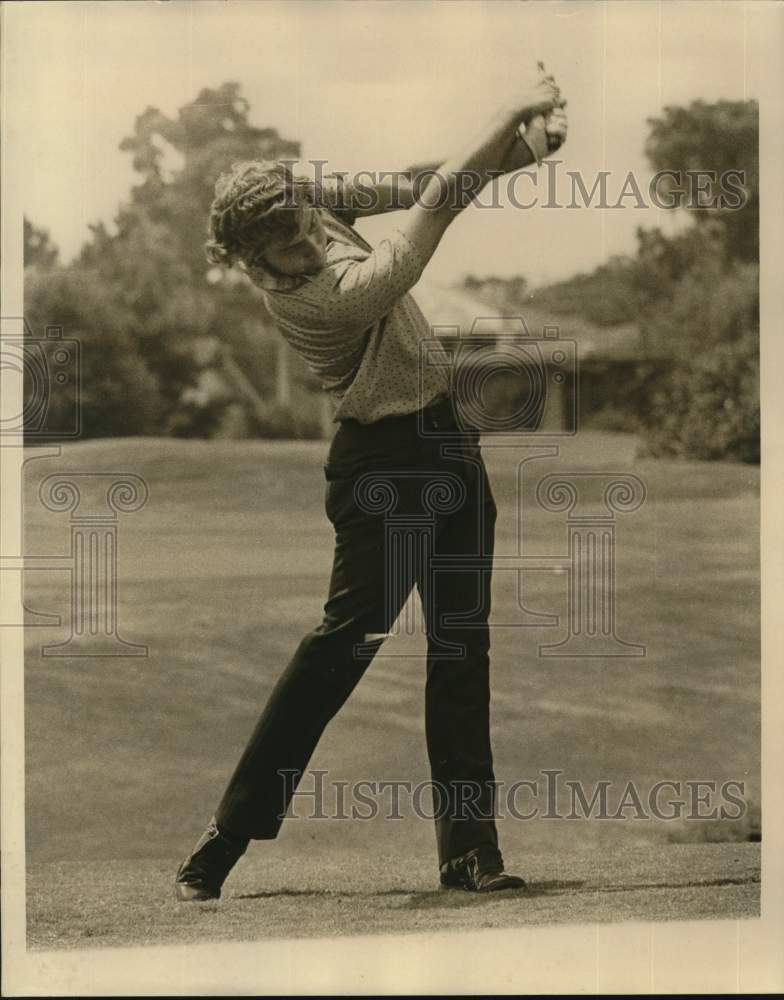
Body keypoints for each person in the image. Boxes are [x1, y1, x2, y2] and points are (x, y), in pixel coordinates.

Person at [176, 71, 568, 900]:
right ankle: (227, 836)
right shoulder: (324, 299)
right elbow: (435, 212)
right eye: (286, 247)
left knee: (462, 648)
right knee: (340, 649)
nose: (309, 245)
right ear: (251, 261)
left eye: (305, 228)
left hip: (446, 440)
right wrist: (506, 111)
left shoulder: (304, 205)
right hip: (380, 469)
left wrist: (516, 152)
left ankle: (470, 855)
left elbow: (418, 180)